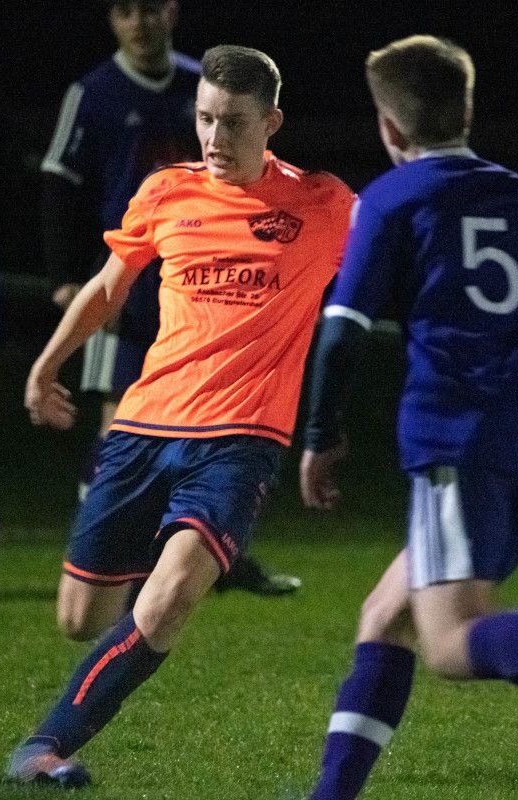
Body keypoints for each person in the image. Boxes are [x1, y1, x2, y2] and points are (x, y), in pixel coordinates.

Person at [11, 44, 355, 786]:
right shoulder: (166, 191)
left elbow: (397, 252)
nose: (214, 138)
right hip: (143, 426)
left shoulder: (322, 205)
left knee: (167, 601)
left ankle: (43, 748)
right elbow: (109, 286)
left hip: (241, 437)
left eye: (233, 122)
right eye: (204, 119)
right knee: (79, 618)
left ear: (272, 123)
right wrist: (47, 364)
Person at [300, 35, 518, 800]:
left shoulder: (393, 197)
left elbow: (342, 333)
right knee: (385, 615)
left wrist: (321, 436)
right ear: (466, 109)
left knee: (452, 643)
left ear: (389, 127)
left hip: (461, 441)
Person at [41, 0, 301, 595]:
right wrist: (64, 276)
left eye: (151, 9)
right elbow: (60, 182)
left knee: (220, 424)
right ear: (112, 20)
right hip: (132, 280)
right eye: (126, 11)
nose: (140, 23)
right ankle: (108, 558)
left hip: (208, 283)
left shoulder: (203, 85)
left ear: (172, 13)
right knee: (120, 424)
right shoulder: (94, 93)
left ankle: (217, 553)